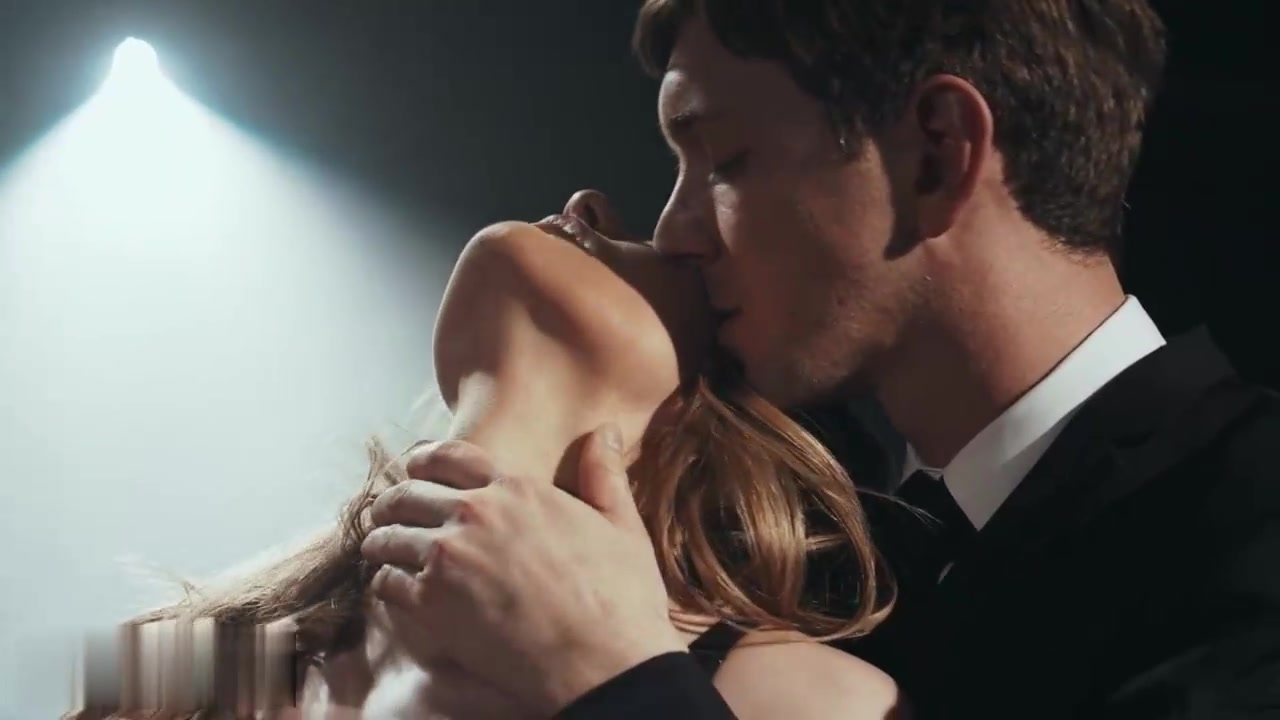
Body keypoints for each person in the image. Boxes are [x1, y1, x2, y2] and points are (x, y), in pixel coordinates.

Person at [360, 1, 1280, 718]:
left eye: (725, 160)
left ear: (937, 155)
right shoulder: (829, 565)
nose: (674, 232)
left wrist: (613, 681)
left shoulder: (1250, 522)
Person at [65, 217, 906, 719]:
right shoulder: (180, 652)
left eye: (652, 252)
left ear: (716, 410)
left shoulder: (807, 700)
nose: (587, 204)